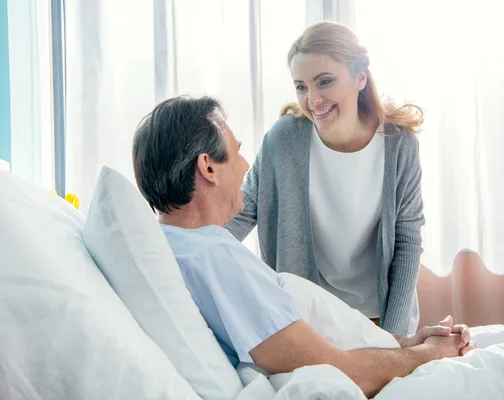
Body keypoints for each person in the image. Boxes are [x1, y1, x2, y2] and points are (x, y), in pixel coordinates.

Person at [132, 96, 474, 398]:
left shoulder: (174, 246)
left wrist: (406, 342)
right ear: (208, 167)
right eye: (236, 153)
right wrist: (432, 354)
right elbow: (340, 369)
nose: (247, 165)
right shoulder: (214, 259)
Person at [226, 21, 425, 336]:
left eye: (325, 82)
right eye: (301, 86)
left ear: (360, 77)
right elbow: (242, 211)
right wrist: (181, 251)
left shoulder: (399, 144)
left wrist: (394, 338)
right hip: (310, 321)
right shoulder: (283, 139)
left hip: (379, 317)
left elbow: (407, 240)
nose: (313, 100)